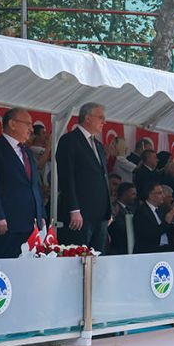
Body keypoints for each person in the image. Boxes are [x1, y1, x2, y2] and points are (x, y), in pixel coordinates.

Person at [0, 108, 45, 258]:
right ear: (12, 124)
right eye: (27, 124)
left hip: (31, 222)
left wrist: (40, 213)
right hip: (8, 222)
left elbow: (34, 185)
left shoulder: (27, 152)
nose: (31, 129)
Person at [55, 102, 112, 251]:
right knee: (78, 257)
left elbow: (103, 177)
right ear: (87, 118)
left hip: (100, 215)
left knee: (97, 259)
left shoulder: (98, 145)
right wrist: (74, 209)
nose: (104, 122)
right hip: (81, 214)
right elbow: (67, 177)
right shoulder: (69, 141)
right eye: (100, 118)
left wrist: (108, 209)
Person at [132, 183, 174, 253]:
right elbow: (150, 234)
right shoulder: (141, 212)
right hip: (150, 250)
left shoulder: (162, 210)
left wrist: (173, 220)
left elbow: (169, 231)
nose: (163, 195)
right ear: (150, 195)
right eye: (160, 193)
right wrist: (166, 222)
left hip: (166, 248)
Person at [105, 182, 137, 256]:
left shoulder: (131, 209)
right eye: (133, 194)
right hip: (116, 251)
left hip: (128, 249)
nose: (135, 197)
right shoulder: (113, 208)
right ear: (125, 194)